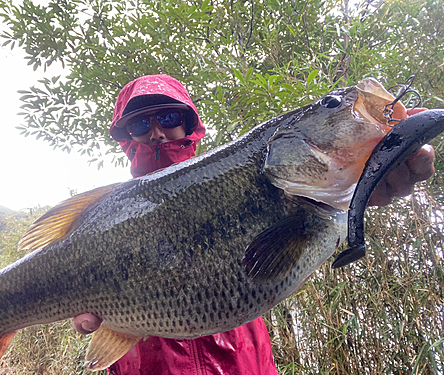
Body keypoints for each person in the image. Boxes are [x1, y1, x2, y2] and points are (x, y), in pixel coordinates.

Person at [73, 74, 435, 374]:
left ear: (189, 124)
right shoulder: (104, 216)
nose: (156, 132)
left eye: (168, 118)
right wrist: (82, 303)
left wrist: (369, 179)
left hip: (242, 361)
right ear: (127, 138)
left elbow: (287, 257)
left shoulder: (256, 177)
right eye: (139, 124)